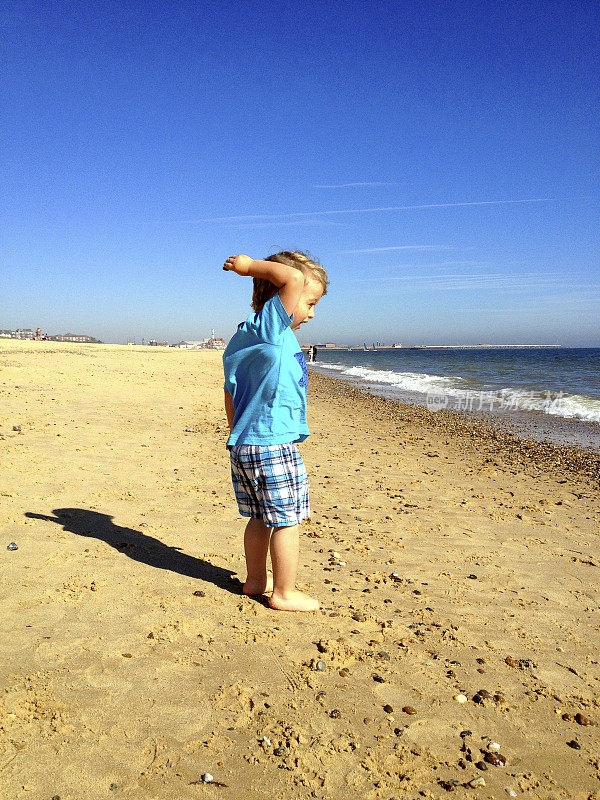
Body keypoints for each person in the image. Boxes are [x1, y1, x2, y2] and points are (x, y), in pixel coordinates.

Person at [222, 251, 329, 612]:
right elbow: (293, 280)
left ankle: (255, 581)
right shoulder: (269, 328)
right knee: (286, 519)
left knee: (259, 517)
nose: (312, 314)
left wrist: (237, 434)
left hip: (246, 444)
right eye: (310, 304)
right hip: (270, 445)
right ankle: (284, 592)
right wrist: (250, 267)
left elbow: (230, 393)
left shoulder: (247, 337)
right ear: (279, 294)